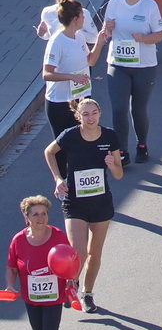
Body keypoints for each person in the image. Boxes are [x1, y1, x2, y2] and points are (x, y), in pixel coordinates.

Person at [44, 98, 123, 310]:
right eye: (85, 114)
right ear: (78, 116)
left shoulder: (110, 136)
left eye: (94, 113)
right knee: (76, 250)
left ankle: (87, 293)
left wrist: (112, 164)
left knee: (94, 253)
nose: (90, 117)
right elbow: (49, 152)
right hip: (75, 201)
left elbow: (118, 174)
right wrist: (58, 179)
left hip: (100, 203)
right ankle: (72, 284)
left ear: (100, 113)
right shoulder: (70, 135)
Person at [98, 0, 162, 168]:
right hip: (118, 63)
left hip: (144, 66)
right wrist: (106, 29)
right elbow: (106, 34)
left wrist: (143, 39)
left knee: (138, 109)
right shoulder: (114, 4)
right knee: (118, 109)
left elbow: (159, 35)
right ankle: (122, 151)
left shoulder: (149, 6)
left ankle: (142, 145)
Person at [6, 195, 73, 330]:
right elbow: (11, 267)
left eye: (44, 213)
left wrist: (72, 280)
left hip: (54, 293)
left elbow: (71, 260)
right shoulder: (18, 240)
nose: (40, 218)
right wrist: (10, 286)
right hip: (32, 295)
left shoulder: (58, 236)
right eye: (35, 214)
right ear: (26, 216)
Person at [41, 0, 94, 138]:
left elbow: (91, 61)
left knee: (81, 143)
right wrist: (71, 76)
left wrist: (99, 42)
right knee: (63, 146)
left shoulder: (79, 35)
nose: (84, 18)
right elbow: (46, 74)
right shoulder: (57, 42)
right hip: (59, 102)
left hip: (79, 97)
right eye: (82, 15)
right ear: (75, 19)